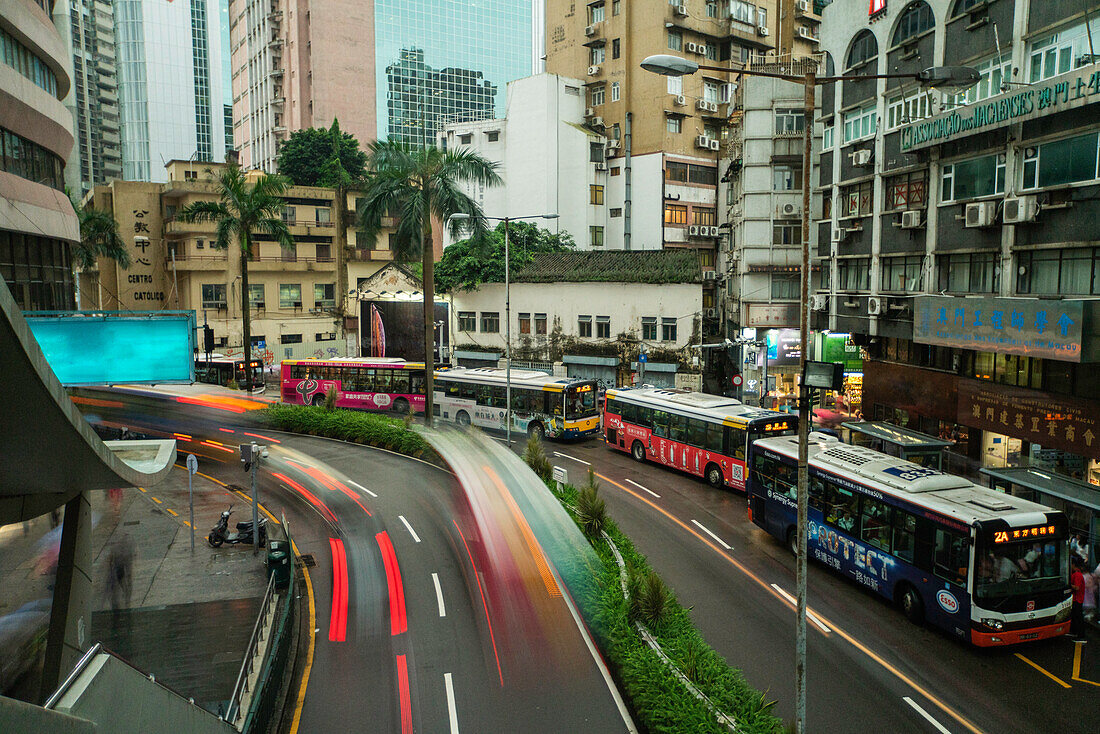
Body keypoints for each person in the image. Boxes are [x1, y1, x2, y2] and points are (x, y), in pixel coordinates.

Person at [1070, 557, 1086, 640]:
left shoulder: (1077, 575)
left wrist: (1069, 584)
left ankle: (1081, 635)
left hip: (1078, 599)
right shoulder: (1075, 574)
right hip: (1075, 599)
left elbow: (1077, 587)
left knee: (1078, 617)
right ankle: (1074, 632)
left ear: (1073, 564)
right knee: (1075, 617)